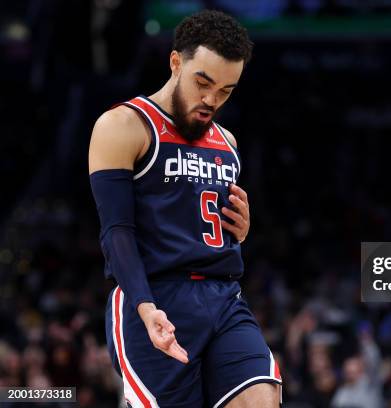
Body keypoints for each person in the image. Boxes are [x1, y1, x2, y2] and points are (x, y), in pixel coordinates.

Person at [88, 10, 281, 408]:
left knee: (262, 399)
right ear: (176, 62)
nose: (212, 100)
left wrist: (241, 232)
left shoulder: (227, 142)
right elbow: (116, 231)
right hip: (157, 297)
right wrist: (145, 307)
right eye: (203, 83)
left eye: (226, 91)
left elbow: (207, 221)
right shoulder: (123, 125)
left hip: (224, 296)